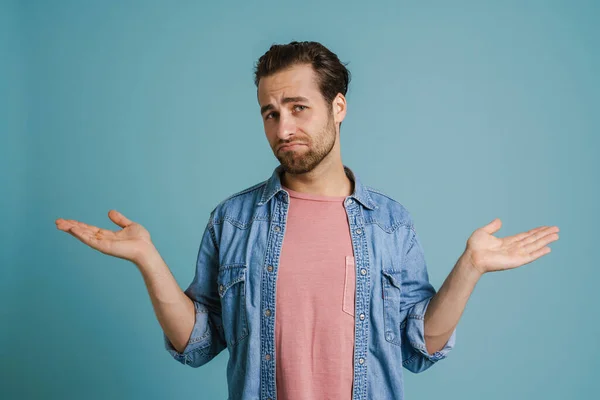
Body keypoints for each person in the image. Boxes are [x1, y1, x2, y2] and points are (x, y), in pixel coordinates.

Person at [55, 40, 560, 400]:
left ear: (338, 107)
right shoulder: (233, 220)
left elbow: (417, 348)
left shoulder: (389, 222)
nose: (284, 127)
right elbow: (198, 344)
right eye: (270, 113)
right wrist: (147, 258)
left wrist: (469, 268)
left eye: (298, 108)